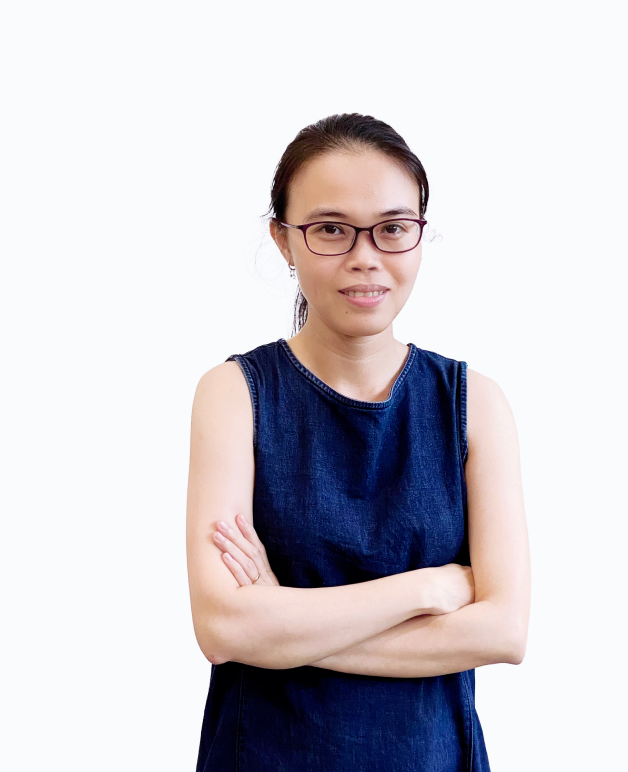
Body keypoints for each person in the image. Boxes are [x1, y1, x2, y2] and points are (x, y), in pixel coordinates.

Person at [186, 113, 531, 772]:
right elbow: (224, 627)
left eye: (393, 228)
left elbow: (504, 631)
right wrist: (427, 590)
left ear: (420, 234)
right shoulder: (234, 394)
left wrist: (281, 625)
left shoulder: (475, 404)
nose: (365, 257)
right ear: (283, 240)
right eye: (330, 230)